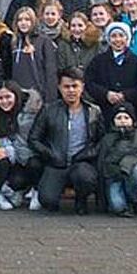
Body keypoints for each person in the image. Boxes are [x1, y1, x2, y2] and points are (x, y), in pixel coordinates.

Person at [29, 68, 103, 214]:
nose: (71, 90)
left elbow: (102, 140)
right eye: (66, 86)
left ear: (82, 87)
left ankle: (81, 200)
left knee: (85, 177)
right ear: (59, 88)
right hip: (56, 163)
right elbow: (33, 139)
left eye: (75, 86)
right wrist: (50, 154)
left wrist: (88, 154)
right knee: (48, 201)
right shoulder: (49, 110)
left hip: (81, 163)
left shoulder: (94, 111)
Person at [0, 82, 44, 209]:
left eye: (8, 97)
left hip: (35, 157)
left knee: (34, 164)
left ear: (16, 95)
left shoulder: (33, 112)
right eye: (0, 98)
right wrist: (8, 150)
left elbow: (34, 142)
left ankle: (37, 191)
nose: (4, 101)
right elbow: (2, 138)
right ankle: (19, 190)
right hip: (17, 158)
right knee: (15, 181)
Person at [97, 103, 137, 217]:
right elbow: (103, 162)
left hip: (131, 171)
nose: (123, 121)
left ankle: (133, 199)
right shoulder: (107, 138)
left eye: (126, 117)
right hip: (114, 176)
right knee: (118, 207)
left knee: (136, 170)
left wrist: (126, 163)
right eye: (119, 118)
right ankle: (125, 203)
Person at [85, 23, 137, 120]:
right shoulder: (98, 60)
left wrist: (125, 95)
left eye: (121, 36)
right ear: (108, 39)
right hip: (104, 110)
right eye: (113, 36)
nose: (117, 40)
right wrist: (106, 94)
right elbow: (89, 82)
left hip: (130, 112)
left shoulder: (136, 61)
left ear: (127, 38)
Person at [8, 6, 58, 102]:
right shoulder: (14, 42)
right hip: (18, 94)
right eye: (20, 20)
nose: (23, 23)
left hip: (38, 93)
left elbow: (50, 71)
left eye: (27, 19)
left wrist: (50, 98)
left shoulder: (43, 41)